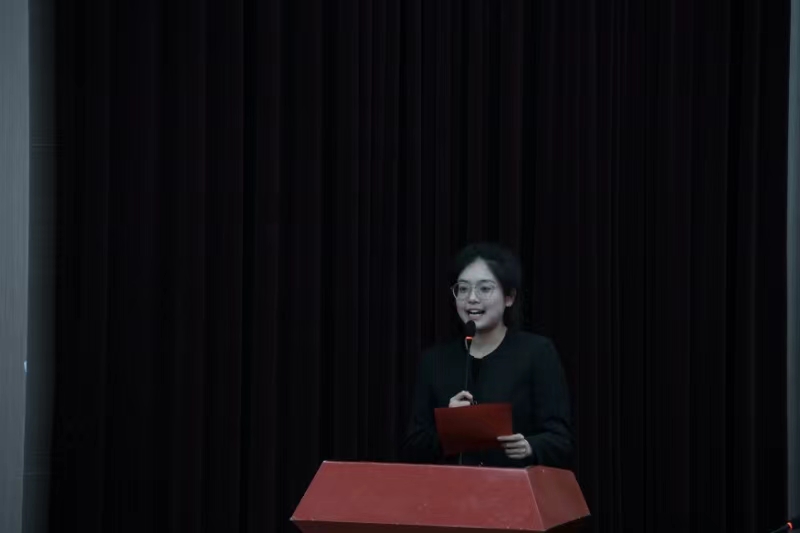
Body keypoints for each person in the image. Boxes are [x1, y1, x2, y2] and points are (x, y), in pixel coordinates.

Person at [400, 242, 573, 468]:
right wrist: (449, 428)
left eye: (484, 288)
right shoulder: (434, 361)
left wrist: (530, 446)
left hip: (514, 486)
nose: (472, 298)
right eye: (463, 289)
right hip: (452, 488)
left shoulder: (537, 353)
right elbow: (413, 447)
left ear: (509, 297)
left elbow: (561, 441)